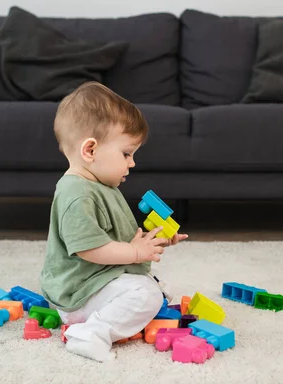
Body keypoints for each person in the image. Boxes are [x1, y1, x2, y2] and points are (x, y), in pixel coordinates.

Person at [40, 81, 188, 362]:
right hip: (77, 293)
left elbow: (121, 236)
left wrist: (155, 239)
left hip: (96, 279)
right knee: (146, 295)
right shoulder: (77, 194)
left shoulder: (101, 185)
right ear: (90, 151)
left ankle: (122, 307)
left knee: (155, 286)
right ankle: (90, 334)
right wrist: (135, 253)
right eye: (126, 154)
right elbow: (89, 250)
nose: (132, 163)